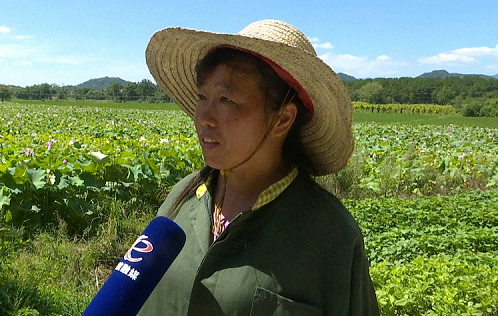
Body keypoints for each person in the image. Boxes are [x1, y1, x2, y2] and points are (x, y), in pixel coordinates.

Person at [138, 19, 379, 315]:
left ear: (283, 120)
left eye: (226, 99)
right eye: (203, 97)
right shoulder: (181, 199)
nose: (204, 117)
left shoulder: (332, 236)